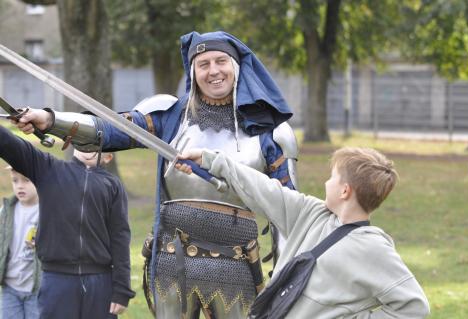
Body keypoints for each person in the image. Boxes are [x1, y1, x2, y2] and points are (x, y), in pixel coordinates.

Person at [12, 31, 298, 318]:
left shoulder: (269, 131)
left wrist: (285, 279)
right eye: (203, 64)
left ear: (235, 66)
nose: (213, 71)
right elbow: (110, 129)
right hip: (172, 261)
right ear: (193, 70)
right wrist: (50, 119)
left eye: (220, 61)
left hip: (235, 265)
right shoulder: (169, 115)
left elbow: (289, 213)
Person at [175, 147, 430, 318]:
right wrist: (211, 160)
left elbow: (413, 306)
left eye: (332, 178)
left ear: (345, 191)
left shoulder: (373, 248)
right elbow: (264, 189)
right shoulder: (312, 214)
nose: (326, 182)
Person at [0, 125, 135, 319]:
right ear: (71, 142)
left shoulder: (113, 186)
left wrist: (122, 288)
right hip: (57, 281)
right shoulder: (48, 170)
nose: (88, 144)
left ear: (107, 155)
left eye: (95, 139)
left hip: (100, 282)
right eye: (82, 136)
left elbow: (120, 237)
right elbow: (10, 144)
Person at [0, 167, 41, 319]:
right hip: (10, 288)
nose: (20, 186)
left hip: (36, 289)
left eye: (26, 180)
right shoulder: (7, 210)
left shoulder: (47, 211)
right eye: (15, 180)